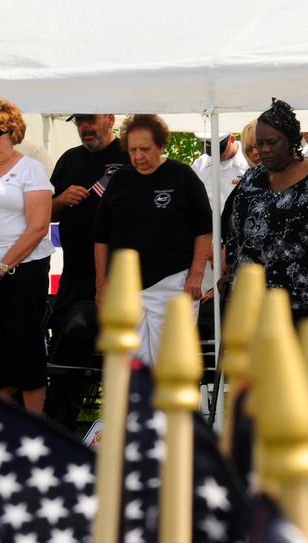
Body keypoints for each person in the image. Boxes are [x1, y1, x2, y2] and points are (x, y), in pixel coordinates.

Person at [93, 114, 212, 367]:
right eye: (133, 150)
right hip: (125, 287)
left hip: (171, 283)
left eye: (145, 149)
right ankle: (138, 409)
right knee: (132, 364)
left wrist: (196, 275)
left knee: (169, 363)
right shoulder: (119, 180)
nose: (138, 157)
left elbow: (204, 229)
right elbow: (101, 237)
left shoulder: (183, 176)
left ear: (161, 145)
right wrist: (101, 285)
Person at [0, 98, 55, 414]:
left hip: (20, 272)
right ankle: (3, 429)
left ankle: (34, 428)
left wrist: (1, 269)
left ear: (13, 133)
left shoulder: (31, 168)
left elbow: (38, 227)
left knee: (25, 348)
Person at [226, 98, 308, 325]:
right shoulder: (251, 177)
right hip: (249, 300)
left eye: (272, 142)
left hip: (300, 300)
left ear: (290, 141)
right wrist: (228, 272)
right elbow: (236, 230)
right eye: (260, 143)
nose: (264, 149)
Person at [49, 114, 130, 332]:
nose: (85, 126)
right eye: (80, 121)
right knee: (64, 332)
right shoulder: (69, 159)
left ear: (110, 120)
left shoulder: (130, 155)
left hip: (119, 271)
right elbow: (47, 213)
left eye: (91, 120)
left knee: (115, 340)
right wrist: (61, 199)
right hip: (75, 270)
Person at [191, 131, 248, 209]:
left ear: (232, 139)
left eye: (220, 150)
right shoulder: (199, 165)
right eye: (211, 152)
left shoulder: (249, 162)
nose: (216, 155)